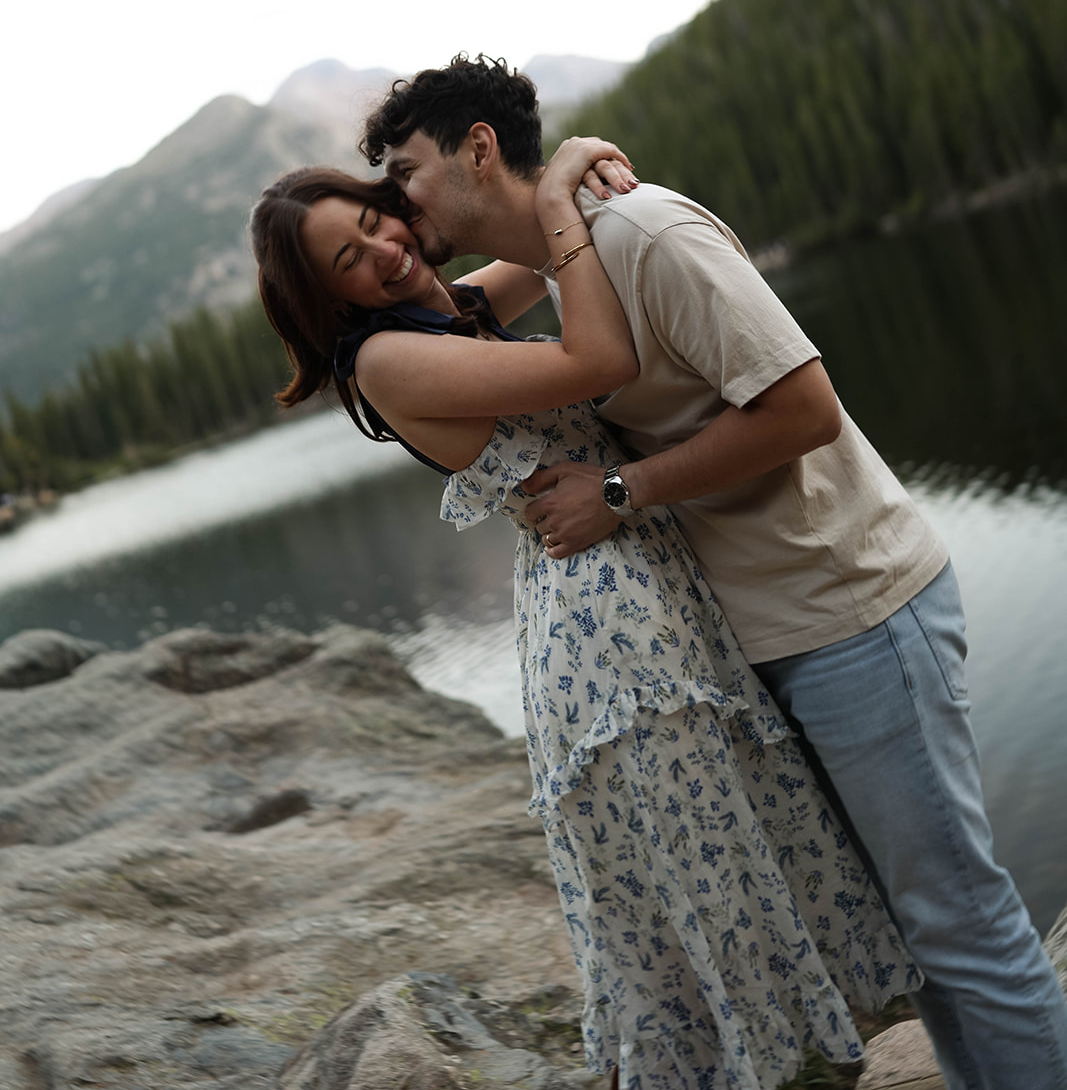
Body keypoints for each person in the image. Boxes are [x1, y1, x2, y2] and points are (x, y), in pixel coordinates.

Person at [361, 53, 1067, 1090]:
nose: (396, 201)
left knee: (955, 923)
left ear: (475, 149)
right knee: (920, 941)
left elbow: (801, 411)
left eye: (408, 171)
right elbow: (452, 313)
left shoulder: (644, 233)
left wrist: (618, 493)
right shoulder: (566, 253)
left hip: (850, 608)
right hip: (770, 631)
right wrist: (558, 182)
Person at [250, 148, 917, 1090]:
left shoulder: (450, 309)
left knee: (736, 860)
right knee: (708, 884)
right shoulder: (392, 359)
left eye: (374, 221)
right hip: (609, 630)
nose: (385, 251)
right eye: (347, 261)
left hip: (646, 584)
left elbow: (538, 238)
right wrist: (561, 189)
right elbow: (599, 358)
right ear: (329, 302)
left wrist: (565, 161)